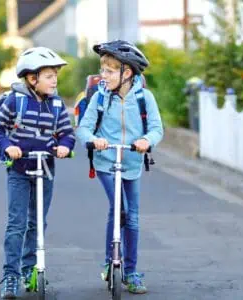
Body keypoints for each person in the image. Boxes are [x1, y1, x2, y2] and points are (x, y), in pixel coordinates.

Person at [0, 47, 75, 299]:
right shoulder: (15, 101)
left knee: (37, 223)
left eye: (55, 75)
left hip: (45, 169)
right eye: (49, 76)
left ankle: (29, 269)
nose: (55, 80)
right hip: (19, 170)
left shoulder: (57, 104)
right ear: (31, 78)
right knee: (17, 224)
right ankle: (10, 275)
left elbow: (67, 133)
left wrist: (64, 147)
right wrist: (8, 147)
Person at [76, 40, 164, 294]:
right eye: (102, 70)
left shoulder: (144, 98)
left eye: (109, 71)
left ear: (127, 73)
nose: (103, 76)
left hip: (132, 162)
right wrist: (95, 140)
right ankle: (109, 261)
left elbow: (157, 128)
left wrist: (146, 141)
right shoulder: (100, 98)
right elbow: (83, 128)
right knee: (120, 209)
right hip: (106, 162)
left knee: (132, 217)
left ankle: (132, 271)